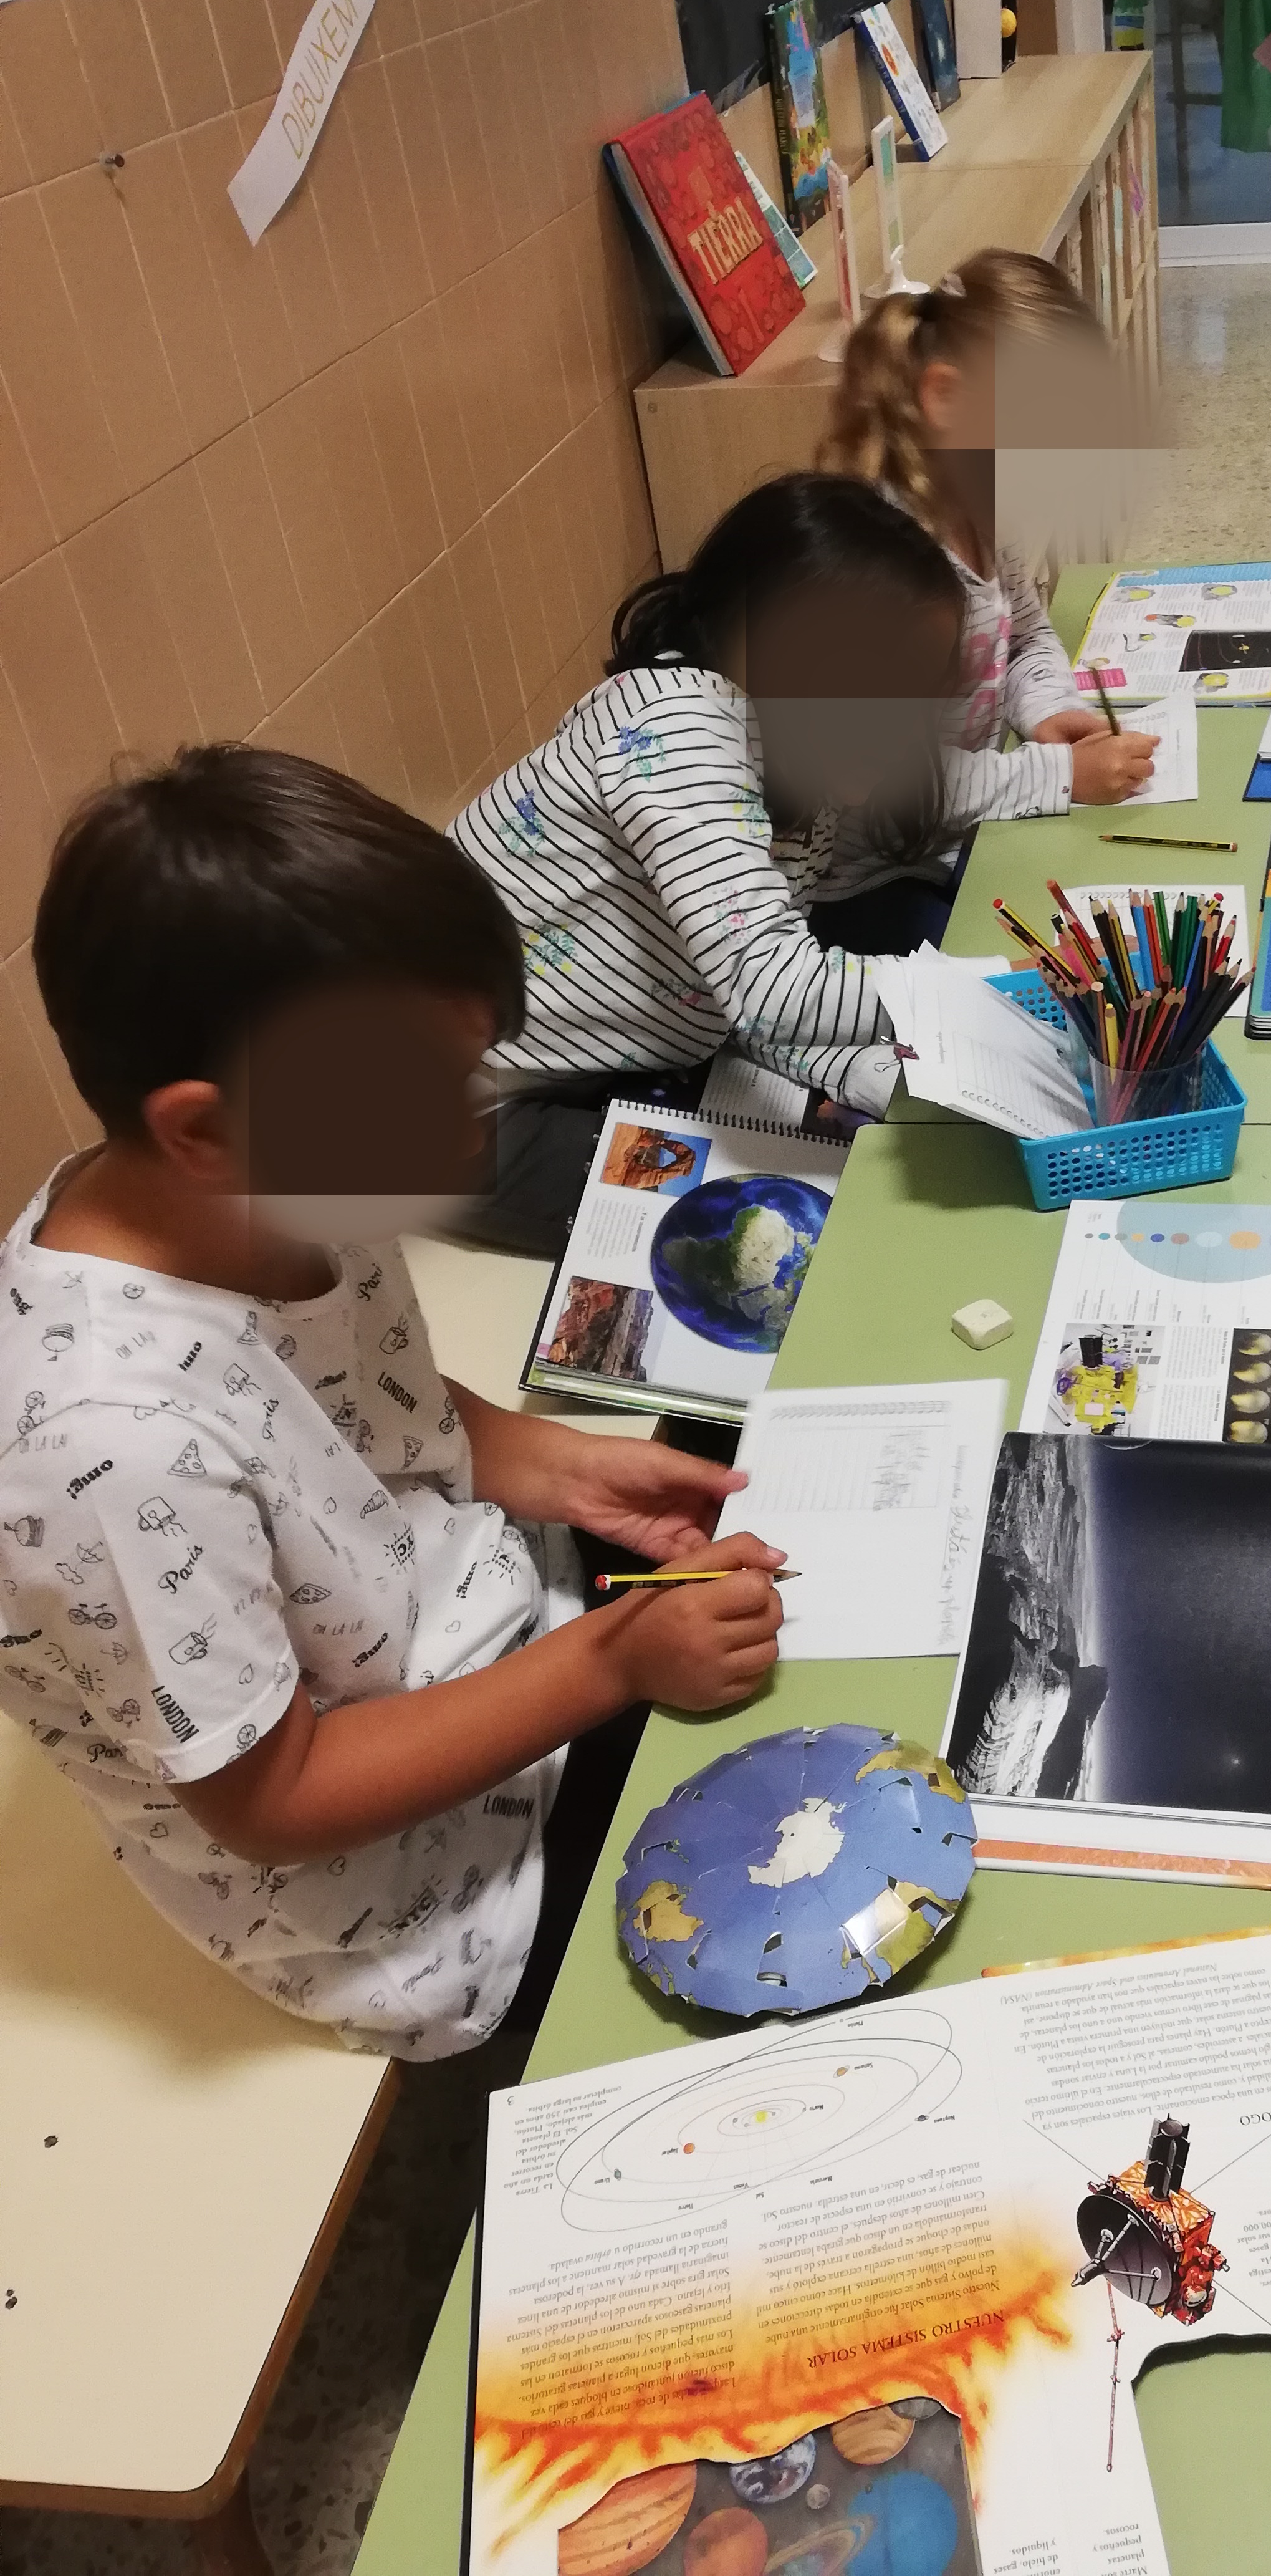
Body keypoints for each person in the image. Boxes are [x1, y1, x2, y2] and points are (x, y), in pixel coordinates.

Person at [1, 748, 785, 2057]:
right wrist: (608, 1664)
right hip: (404, 1890)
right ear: (203, 1130)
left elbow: (356, 1402)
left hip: (485, 1624)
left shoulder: (276, 1185)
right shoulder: (107, 1446)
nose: (470, 1133)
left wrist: (565, 1467)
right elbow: (277, 1801)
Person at [451, 474, 973, 1255]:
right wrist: (985, 996)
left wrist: (864, 1071)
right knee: (770, 1227)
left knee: (851, 1145)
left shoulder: (797, 763)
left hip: (602, 1057)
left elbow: (733, 996)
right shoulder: (683, 726)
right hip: (455, 1116)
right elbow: (773, 985)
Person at [817, 248, 1159, 944]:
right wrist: (1060, 774)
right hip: (873, 879)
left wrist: (1047, 710)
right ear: (947, 400)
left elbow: (1026, 636)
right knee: (1033, 976)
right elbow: (895, 790)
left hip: (960, 833)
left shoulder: (980, 507)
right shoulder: (895, 566)